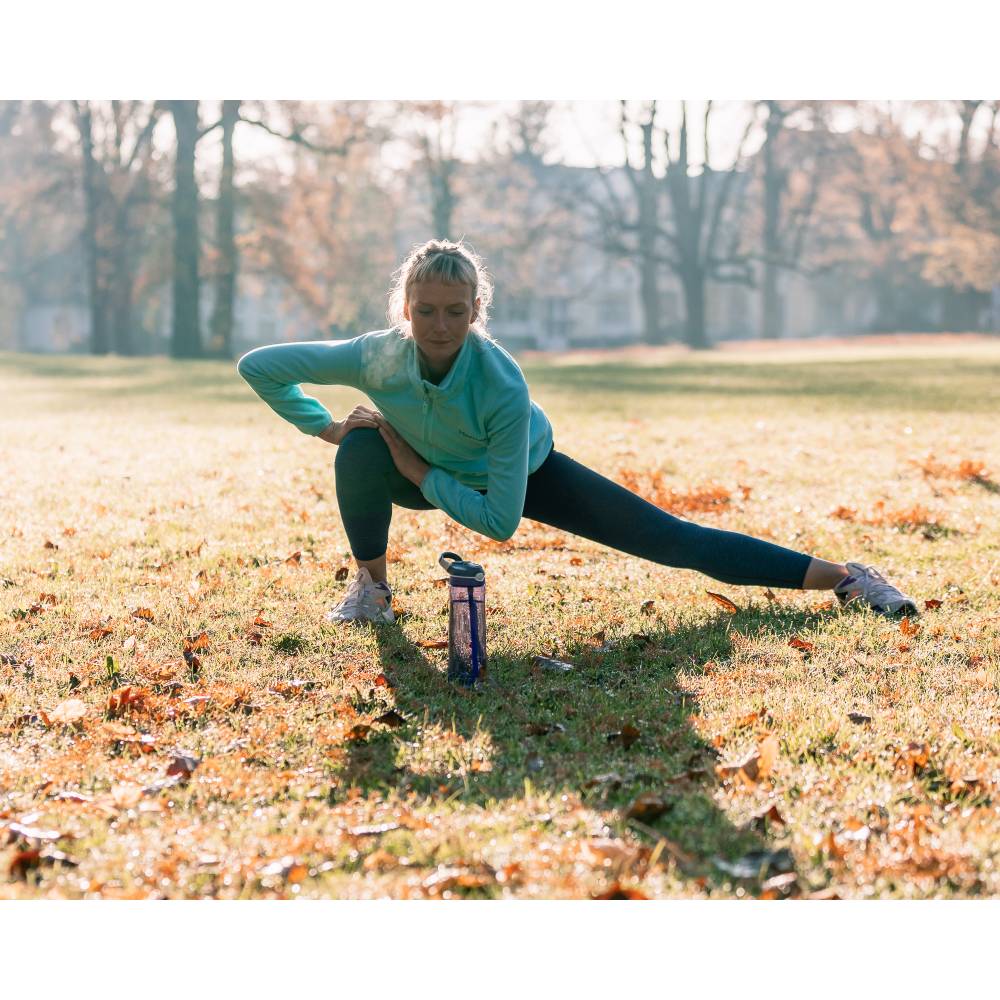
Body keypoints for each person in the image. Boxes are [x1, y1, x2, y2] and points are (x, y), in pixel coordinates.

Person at [236, 238, 918, 625]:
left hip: (519, 475)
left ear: (477, 309)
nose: (438, 326)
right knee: (360, 445)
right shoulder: (375, 355)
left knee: (671, 540)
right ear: (404, 308)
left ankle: (847, 578)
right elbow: (261, 366)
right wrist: (326, 427)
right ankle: (372, 590)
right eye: (424, 311)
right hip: (422, 465)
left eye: (453, 311)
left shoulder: (500, 385)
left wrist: (416, 471)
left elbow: (499, 523)